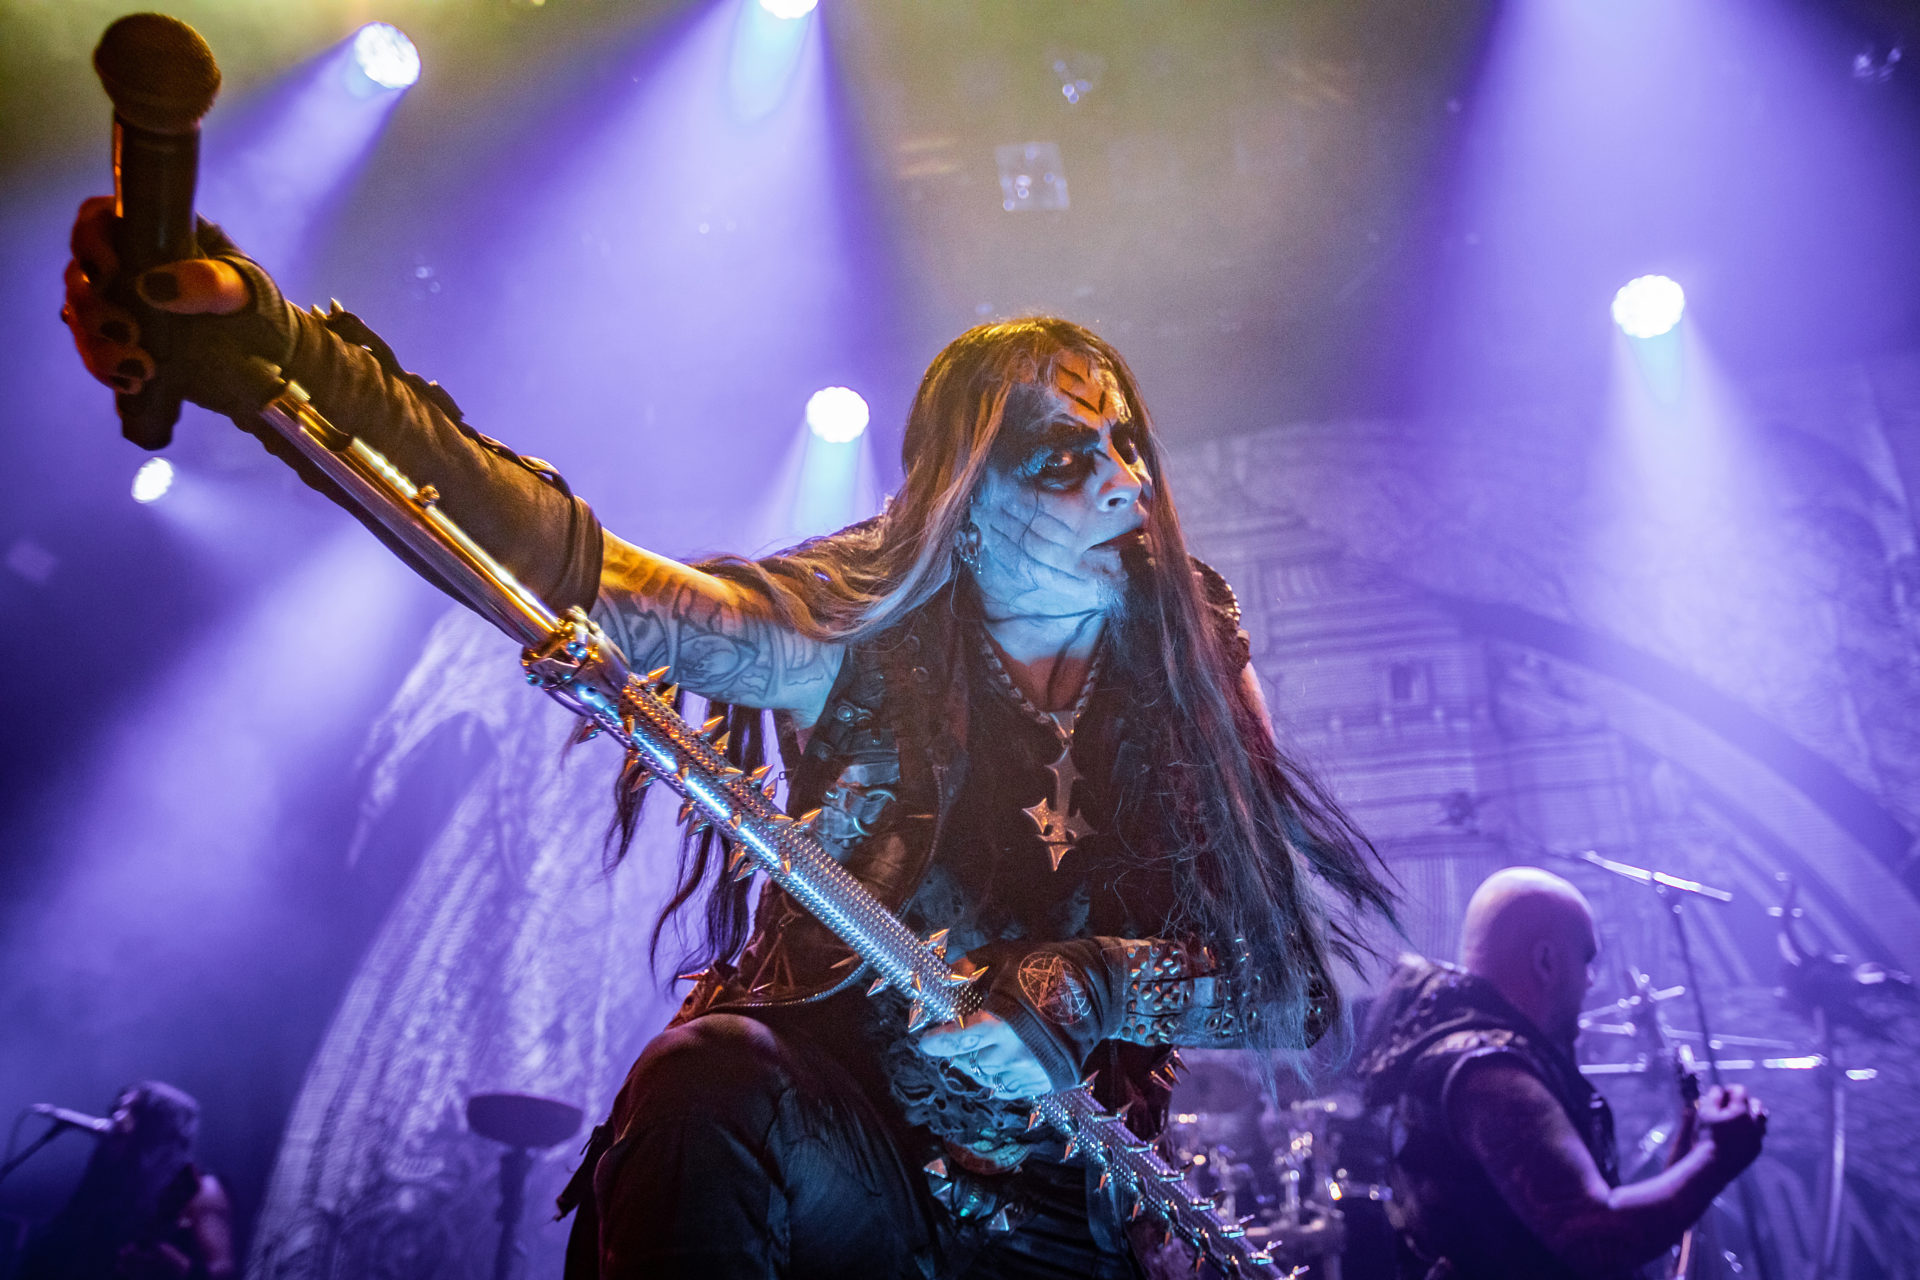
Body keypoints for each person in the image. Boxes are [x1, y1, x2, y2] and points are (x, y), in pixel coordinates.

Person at [61, 199, 1397, 1278]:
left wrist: (1077, 986)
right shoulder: (851, 628)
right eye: (1060, 456)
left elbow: (1290, 990)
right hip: (835, 1154)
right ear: (965, 510)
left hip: (1070, 1206)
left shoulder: (1192, 644)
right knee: (707, 1085)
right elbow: (577, 575)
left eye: (1127, 444)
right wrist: (282, 354)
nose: (1122, 479)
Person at [1356, 867, 1767, 1280]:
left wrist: (1688, 1157)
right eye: (1586, 958)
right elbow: (1598, 1242)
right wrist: (1717, 1156)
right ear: (1546, 961)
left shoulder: (1477, 1061)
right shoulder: (1491, 1077)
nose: (1590, 981)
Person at [18, 1082, 235, 1280]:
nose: (118, 1117)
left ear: (163, 1125)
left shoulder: (201, 1189)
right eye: (118, 1108)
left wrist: (183, 1269)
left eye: (135, 1111)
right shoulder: (111, 1179)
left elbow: (224, 1271)